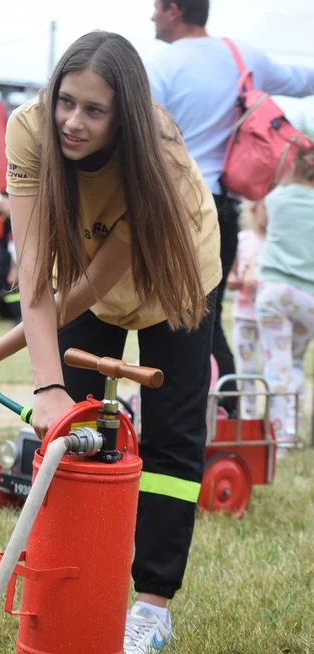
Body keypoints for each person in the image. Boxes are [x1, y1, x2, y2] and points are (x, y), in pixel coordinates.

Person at [0, 31, 221, 654]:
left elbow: (97, 284)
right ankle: (72, 578)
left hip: (174, 275)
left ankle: (151, 608)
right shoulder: (29, 129)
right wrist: (11, 363)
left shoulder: (162, 163)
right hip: (92, 274)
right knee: (71, 432)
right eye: (67, 101)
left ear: (124, 117)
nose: (72, 121)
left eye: (94, 111)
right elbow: (38, 272)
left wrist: (40, 377)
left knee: (170, 440)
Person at [148, 0, 314, 413]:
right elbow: (303, 80)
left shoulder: (159, 66)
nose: (150, 17)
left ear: (173, 10)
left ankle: (198, 407)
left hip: (176, 204)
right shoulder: (244, 56)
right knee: (207, 313)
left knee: (169, 316)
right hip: (223, 207)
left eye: (154, 8)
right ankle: (228, 405)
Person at [256, 147, 314, 446]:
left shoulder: (277, 198)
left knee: (276, 363)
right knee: (294, 362)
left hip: (275, 293)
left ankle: (281, 436)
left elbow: (262, 223)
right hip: (309, 299)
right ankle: (294, 428)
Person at [226, 200, 267, 418]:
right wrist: (234, 280)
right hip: (244, 315)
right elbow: (231, 272)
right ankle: (249, 416)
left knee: (271, 367)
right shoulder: (243, 240)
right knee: (246, 368)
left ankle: (271, 416)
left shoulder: (277, 243)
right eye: (265, 208)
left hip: (270, 318)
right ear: (254, 210)